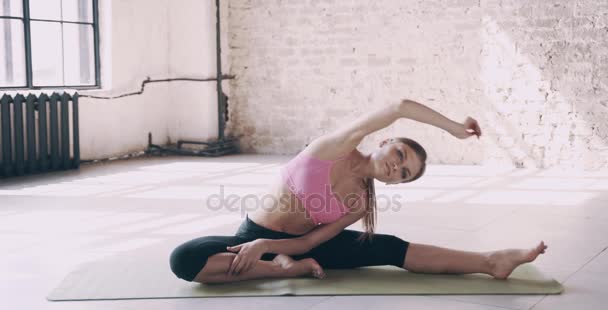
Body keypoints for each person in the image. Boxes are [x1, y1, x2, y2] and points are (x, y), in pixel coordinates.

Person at [170, 99, 547, 284]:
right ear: (384, 142)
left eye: (403, 173)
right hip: (255, 233)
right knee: (185, 260)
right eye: (399, 154)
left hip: (298, 246)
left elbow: (306, 243)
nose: (395, 167)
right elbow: (398, 106)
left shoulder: (361, 202)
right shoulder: (336, 146)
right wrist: (451, 128)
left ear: (395, 183)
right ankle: (278, 273)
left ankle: (490, 261)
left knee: (389, 247)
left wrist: (276, 251)